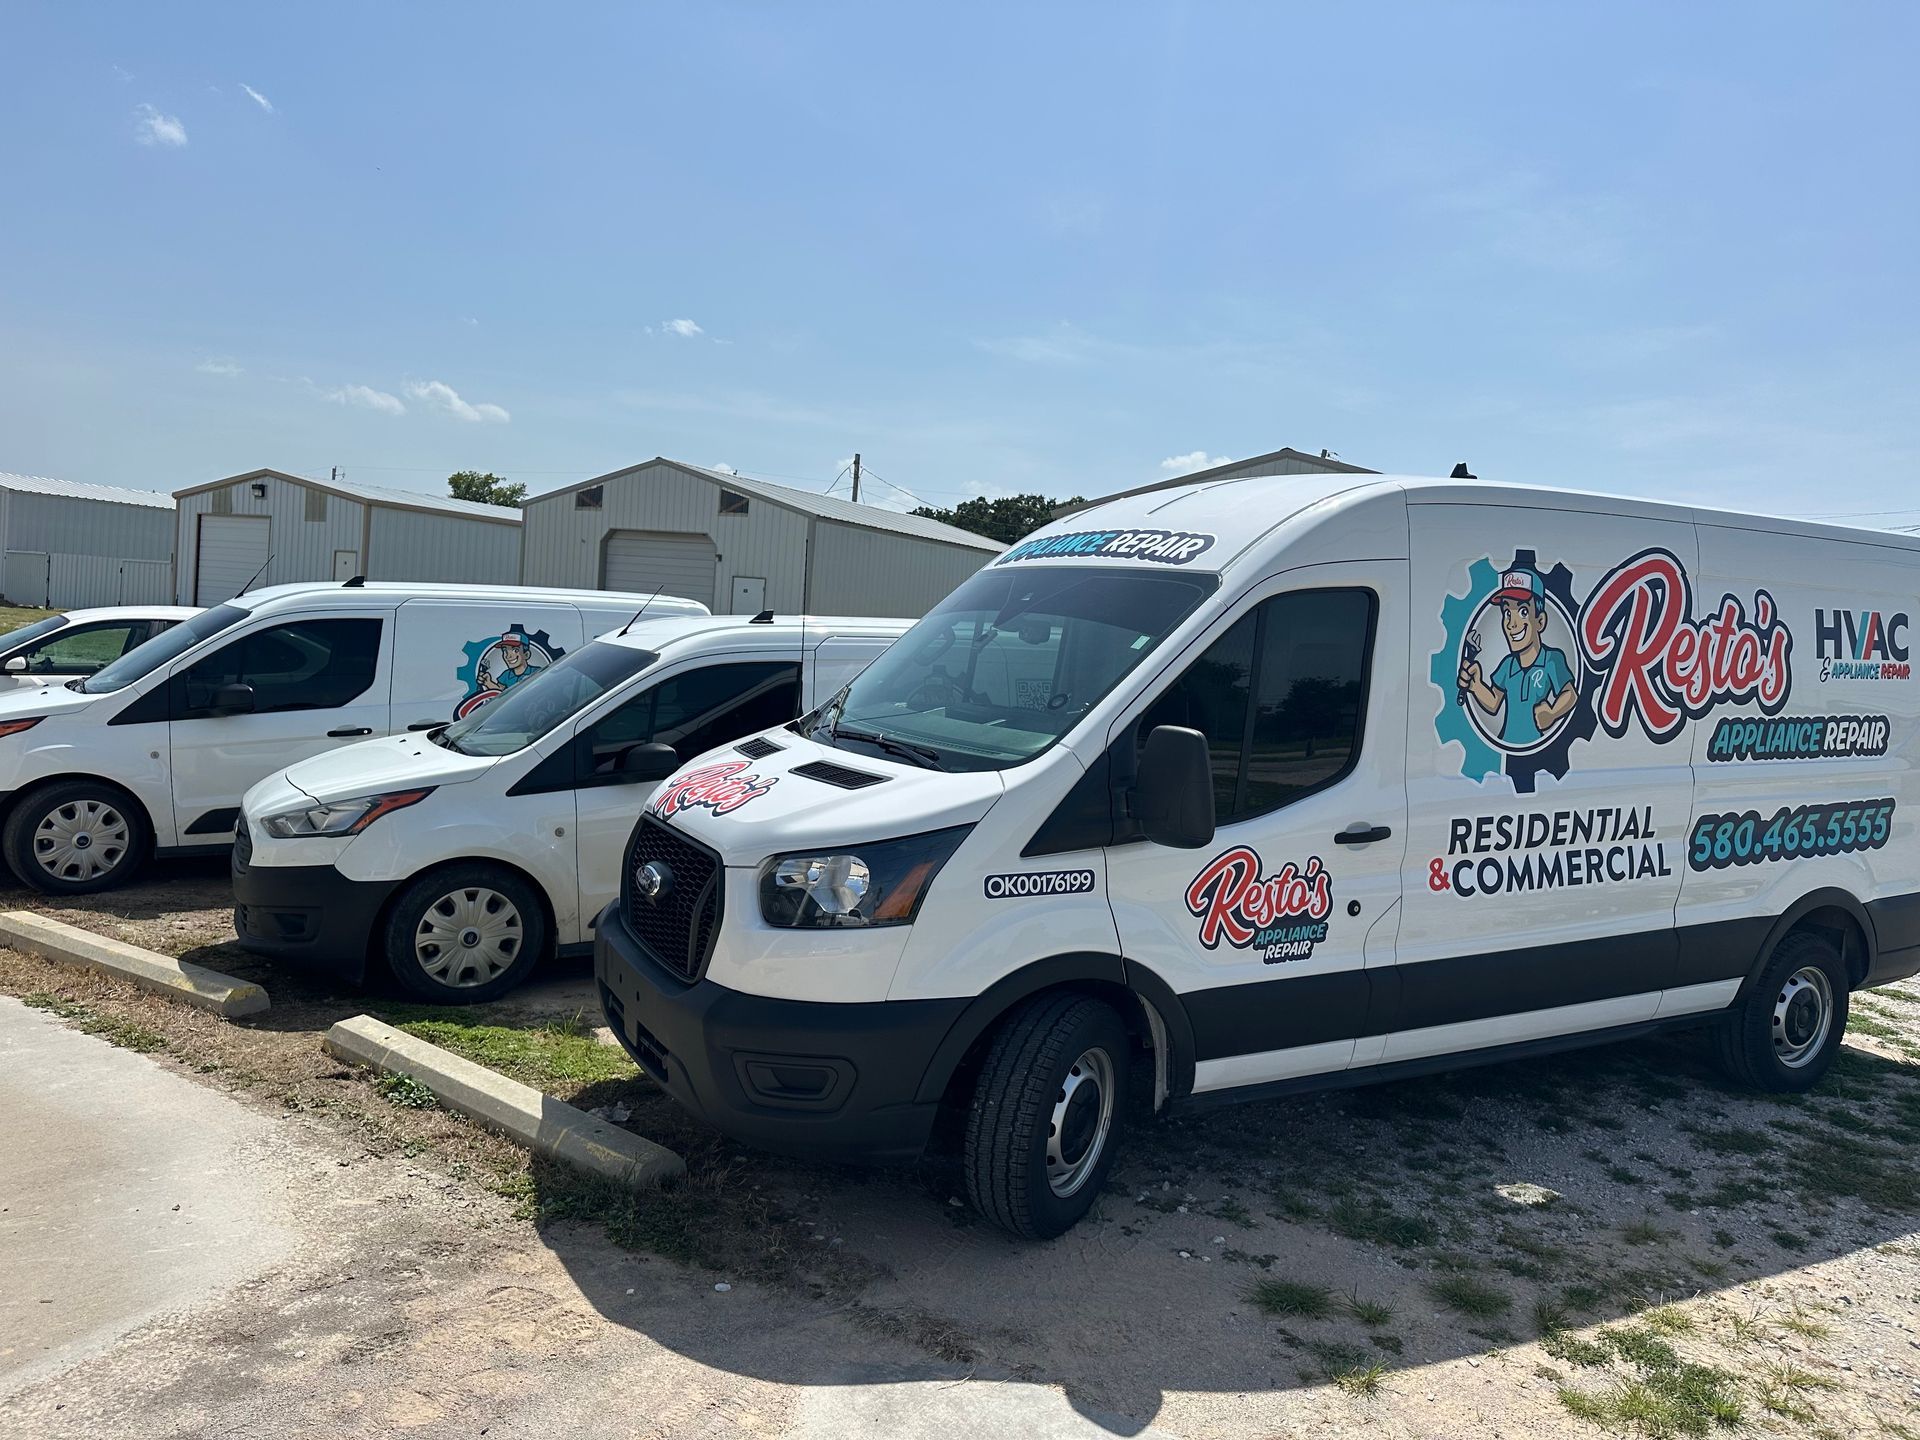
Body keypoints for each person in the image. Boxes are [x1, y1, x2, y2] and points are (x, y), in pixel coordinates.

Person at [1458, 567, 1577, 747]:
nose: (1512, 624)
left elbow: (1570, 694)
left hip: (1537, 750)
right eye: (1507, 613)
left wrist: (1552, 713)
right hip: (1507, 744)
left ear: (1540, 621)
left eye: (1522, 612)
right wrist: (1476, 686)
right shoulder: (1508, 664)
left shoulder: (1552, 659)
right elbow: (1493, 703)